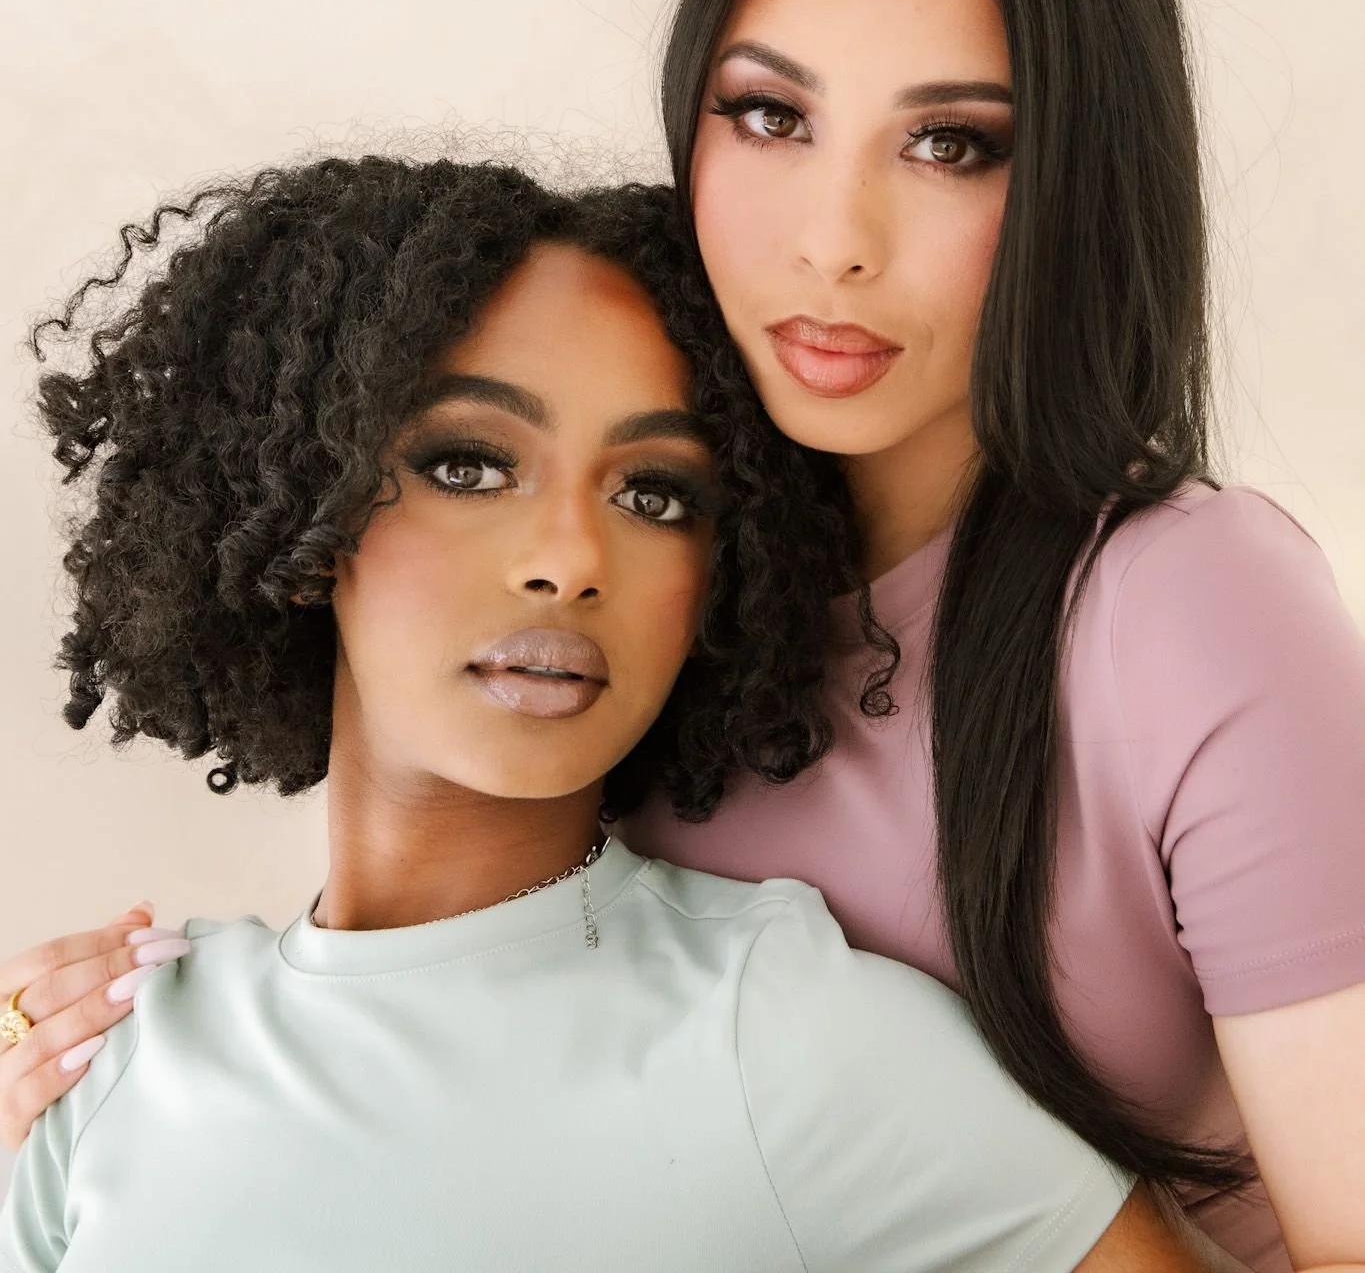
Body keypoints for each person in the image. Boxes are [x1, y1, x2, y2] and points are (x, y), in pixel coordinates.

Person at [7, 0, 1365, 1265]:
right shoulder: (665, 623)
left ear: (1073, 186)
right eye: (770, 115)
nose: (833, 237)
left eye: (954, 143)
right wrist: (110, 1059)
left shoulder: (1187, 612)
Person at [1, 154, 1187, 1273]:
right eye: (469, 464)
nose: (569, 559)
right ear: (309, 518)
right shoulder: (101, 1053)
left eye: (655, 492)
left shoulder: (782, 1033)